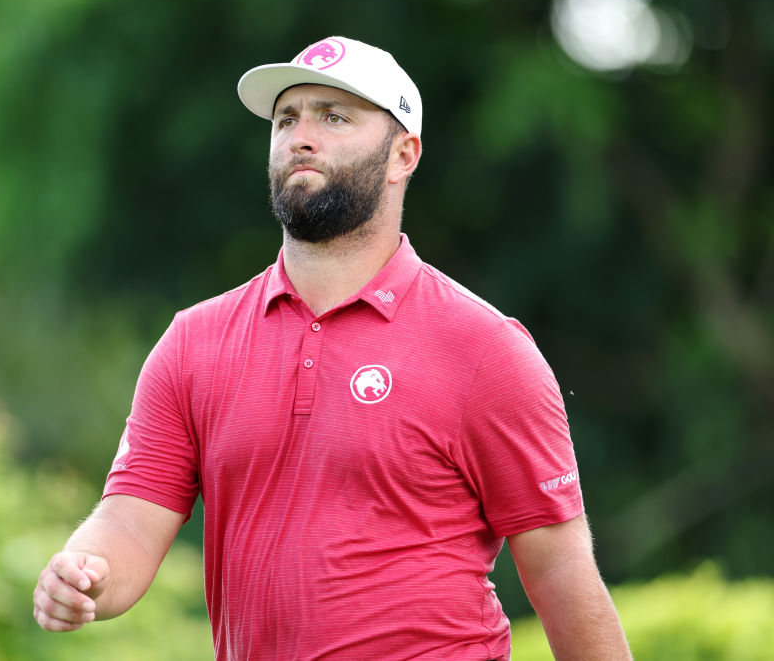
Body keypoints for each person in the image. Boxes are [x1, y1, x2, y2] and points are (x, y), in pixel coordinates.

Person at [33, 36, 632, 660]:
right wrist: (85, 572)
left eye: (335, 116)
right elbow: (130, 520)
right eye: (287, 119)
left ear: (404, 154)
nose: (301, 136)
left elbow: (559, 568)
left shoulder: (484, 349)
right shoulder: (194, 342)